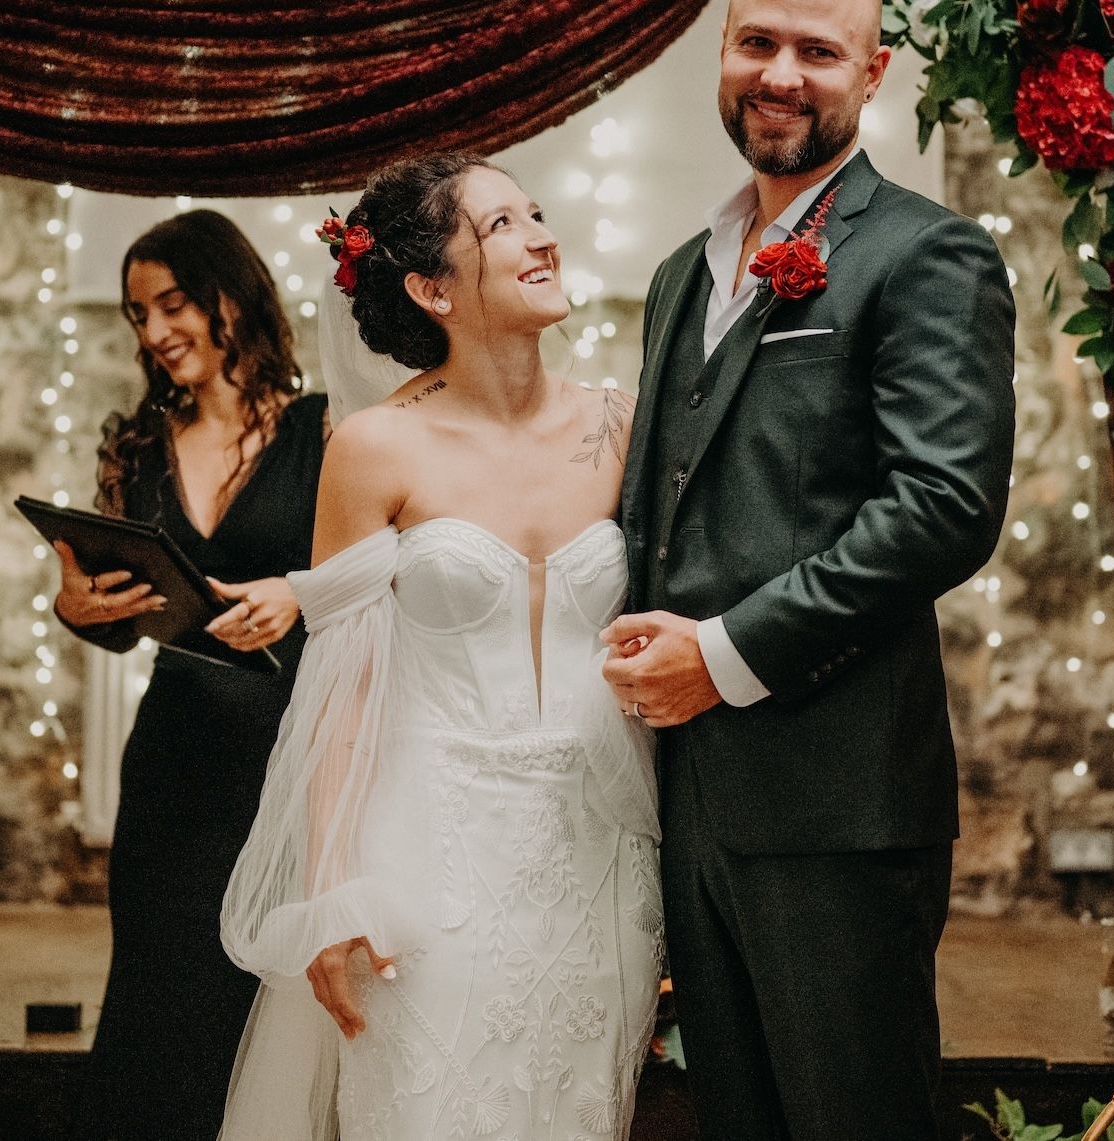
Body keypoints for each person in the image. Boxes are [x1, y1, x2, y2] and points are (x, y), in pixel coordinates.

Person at [602, 0, 1018, 1140]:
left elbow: (941, 505)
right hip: (689, 802)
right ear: (720, 54)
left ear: (871, 72)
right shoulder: (685, 272)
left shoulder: (925, 254)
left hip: (838, 805)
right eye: (756, 43)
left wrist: (721, 655)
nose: (780, 74)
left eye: (816, 51)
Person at [217, 153, 660, 1141]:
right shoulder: (376, 447)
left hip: (601, 857)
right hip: (426, 859)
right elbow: (341, 688)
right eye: (501, 225)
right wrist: (331, 889)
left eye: (535, 212)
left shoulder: (624, 424)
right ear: (430, 287)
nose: (540, 234)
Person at [52, 210, 329, 1141]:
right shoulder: (134, 445)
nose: (155, 331)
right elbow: (125, 630)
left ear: (232, 296)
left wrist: (295, 591)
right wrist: (78, 612)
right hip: (172, 759)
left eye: (172, 303)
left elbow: (368, 593)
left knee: (256, 1008)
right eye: (138, 314)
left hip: (287, 756)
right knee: (156, 1003)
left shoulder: (327, 434)